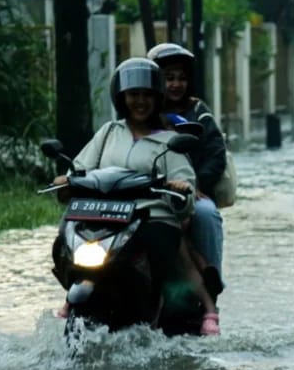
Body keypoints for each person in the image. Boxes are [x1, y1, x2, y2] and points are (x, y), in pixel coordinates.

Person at [54, 58, 220, 335]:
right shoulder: (108, 133)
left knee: (159, 246)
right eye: (133, 95)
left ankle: (161, 309)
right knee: (66, 239)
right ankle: (74, 294)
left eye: (146, 95)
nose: (139, 101)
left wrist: (180, 187)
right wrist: (66, 179)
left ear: (157, 98)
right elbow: (80, 168)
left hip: (151, 216)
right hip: (103, 215)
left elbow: (187, 187)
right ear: (122, 97)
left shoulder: (170, 141)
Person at [146, 43, 227, 296]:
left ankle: (211, 282)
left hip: (190, 191)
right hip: (145, 191)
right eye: (168, 78)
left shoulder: (199, 113)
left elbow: (216, 153)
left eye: (181, 78)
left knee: (205, 214)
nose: (175, 84)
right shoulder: (142, 111)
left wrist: (196, 185)